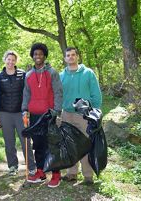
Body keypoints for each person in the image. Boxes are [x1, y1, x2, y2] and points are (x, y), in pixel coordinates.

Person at [22, 43, 63, 188]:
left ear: (44, 56)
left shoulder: (52, 72)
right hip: (34, 114)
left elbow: (58, 92)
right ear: (32, 56)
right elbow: (26, 94)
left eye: (40, 54)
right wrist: (24, 110)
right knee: (38, 144)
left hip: (49, 114)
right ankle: (40, 172)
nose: (37, 56)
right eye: (35, 54)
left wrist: (57, 112)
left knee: (51, 144)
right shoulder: (28, 75)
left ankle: (56, 174)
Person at [59, 47, 102, 185]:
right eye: (68, 55)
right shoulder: (61, 76)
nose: (70, 57)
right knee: (70, 145)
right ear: (65, 58)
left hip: (84, 115)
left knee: (85, 144)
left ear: (77, 56)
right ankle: (71, 173)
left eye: (73, 55)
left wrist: (94, 113)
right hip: (66, 115)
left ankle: (88, 176)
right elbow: (58, 96)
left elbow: (96, 94)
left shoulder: (88, 73)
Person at [0, 50, 36, 176]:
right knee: (9, 141)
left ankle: (31, 166)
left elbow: (27, 93)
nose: (10, 62)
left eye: (13, 60)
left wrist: (27, 110)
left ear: (16, 61)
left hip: (20, 113)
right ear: (5, 60)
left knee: (25, 140)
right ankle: (12, 166)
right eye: (8, 59)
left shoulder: (23, 74)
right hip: (4, 113)